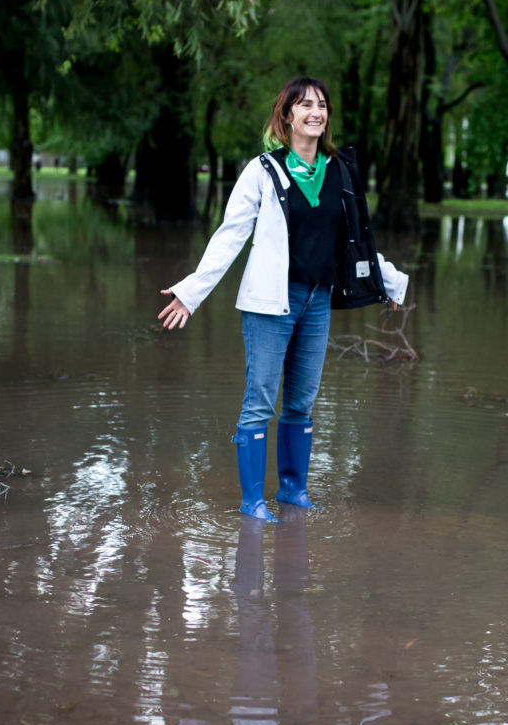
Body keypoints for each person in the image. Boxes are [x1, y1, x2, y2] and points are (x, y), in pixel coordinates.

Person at [158, 75, 409, 521]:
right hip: (268, 304)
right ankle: (253, 501)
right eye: (306, 104)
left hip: (317, 300)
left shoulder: (339, 170)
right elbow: (230, 235)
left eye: (322, 105)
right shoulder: (262, 170)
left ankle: (293, 491)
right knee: (260, 399)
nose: (316, 112)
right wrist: (190, 292)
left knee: (302, 401)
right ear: (287, 115)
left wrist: (388, 282)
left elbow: (356, 240)